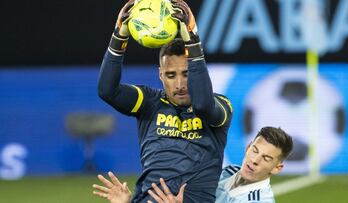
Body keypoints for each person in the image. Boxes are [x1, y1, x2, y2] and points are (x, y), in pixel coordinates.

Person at [95, 0, 233, 202]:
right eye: (170, 75)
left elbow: (203, 105)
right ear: (160, 75)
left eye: (186, 74)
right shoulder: (149, 102)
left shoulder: (221, 106)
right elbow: (107, 91)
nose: (179, 84)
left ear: (197, 71)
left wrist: (193, 41)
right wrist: (119, 36)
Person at [93, 127, 293, 203]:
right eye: (255, 150)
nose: (255, 160)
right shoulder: (228, 172)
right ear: (248, 146)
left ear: (277, 167)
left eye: (267, 159)